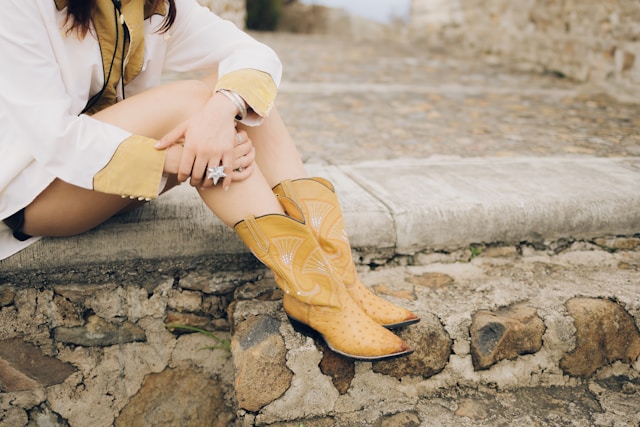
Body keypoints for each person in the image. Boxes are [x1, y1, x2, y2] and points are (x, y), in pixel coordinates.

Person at [0, 0, 419, 360]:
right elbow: (57, 140)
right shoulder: (19, 7)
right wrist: (190, 154)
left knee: (238, 91)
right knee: (192, 100)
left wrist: (223, 110)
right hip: (37, 197)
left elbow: (254, 54)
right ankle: (319, 298)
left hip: (119, 179)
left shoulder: (150, 5)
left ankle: (336, 282)